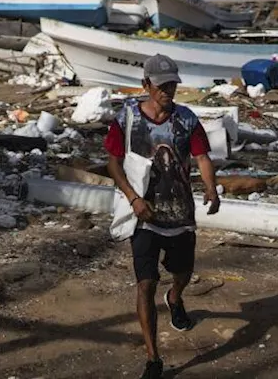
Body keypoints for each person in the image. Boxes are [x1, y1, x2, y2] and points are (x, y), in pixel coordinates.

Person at [106, 54, 220, 379]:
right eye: (161, 85)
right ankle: (153, 359)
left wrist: (211, 189)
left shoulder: (186, 119)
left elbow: (202, 156)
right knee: (145, 283)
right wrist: (132, 198)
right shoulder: (127, 117)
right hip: (143, 214)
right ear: (146, 85)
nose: (168, 91)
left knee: (183, 271)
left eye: (172, 85)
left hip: (180, 213)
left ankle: (175, 297)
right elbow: (113, 163)